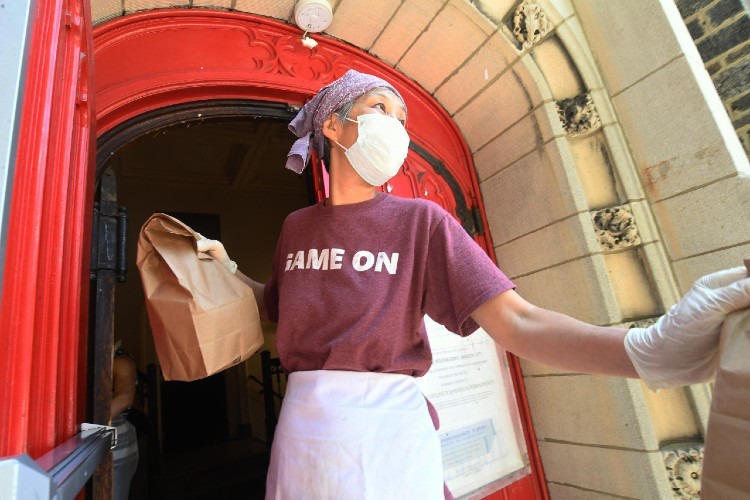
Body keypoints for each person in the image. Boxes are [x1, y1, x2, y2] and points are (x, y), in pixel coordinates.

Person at [196, 69, 750, 499]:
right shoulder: (297, 227)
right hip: (302, 435)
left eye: (403, 118)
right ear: (333, 126)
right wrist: (225, 268)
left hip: (387, 431)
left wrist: (645, 350)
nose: (396, 126)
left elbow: (518, 321)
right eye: (380, 108)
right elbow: (273, 305)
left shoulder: (421, 223)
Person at [111, 341, 139, 500]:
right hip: (91, 439)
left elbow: (124, 399)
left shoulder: (121, 361)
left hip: (117, 443)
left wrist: (83, 427)